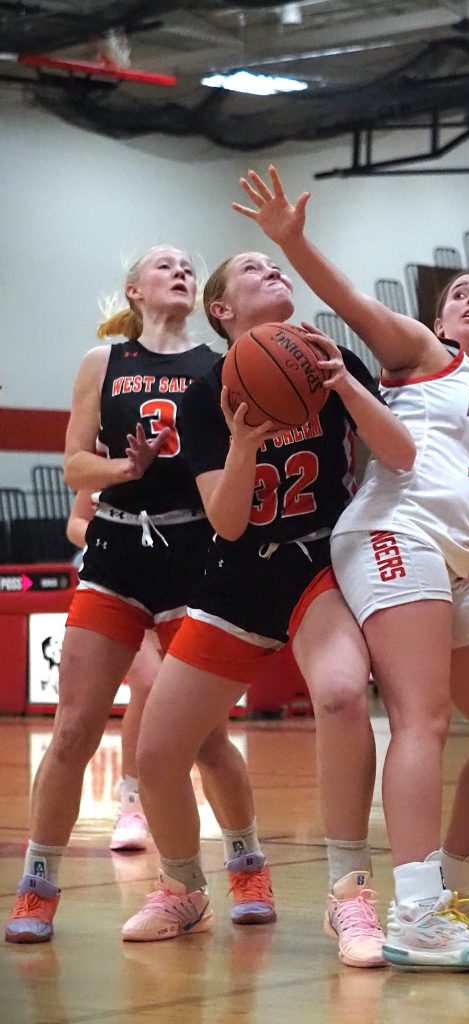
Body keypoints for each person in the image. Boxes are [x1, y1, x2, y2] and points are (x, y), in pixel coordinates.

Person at [235, 165, 469, 970]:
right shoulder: (424, 353)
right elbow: (355, 306)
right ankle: (416, 911)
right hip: (390, 536)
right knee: (423, 720)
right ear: (438, 316)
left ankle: (461, 887)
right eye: (459, 292)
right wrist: (293, 241)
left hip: (449, 559)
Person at [121, 248, 417, 969]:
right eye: (253, 269)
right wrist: (248, 440)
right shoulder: (202, 395)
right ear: (222, 310)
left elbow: (399, 455)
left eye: (274, 265)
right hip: (235, 575)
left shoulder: (329, 355)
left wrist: (346, 386)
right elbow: (225, 521)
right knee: (157, 757)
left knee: (344, 695)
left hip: (317, 561)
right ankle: (183, 888)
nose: (272, 271)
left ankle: (348, 890)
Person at [4, 245, 248, 945]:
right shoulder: (101, 364)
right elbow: (73, 463)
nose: (180, 271)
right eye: (164, 264)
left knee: (206, 741)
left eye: (188, 266)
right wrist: (123, 466)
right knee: (75, 730)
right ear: (134, 289)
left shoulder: (224, 363)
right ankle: (37, 887)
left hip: (196, 551)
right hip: (115, 548)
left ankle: (244, 864)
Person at [66, 487, 161, 851]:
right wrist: (112, 534)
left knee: (190, 713)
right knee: (147, 683)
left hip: (177, 578)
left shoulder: (185, 444)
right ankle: (131, 807)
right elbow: (75, 522)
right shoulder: (108, 447)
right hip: (112, 579)